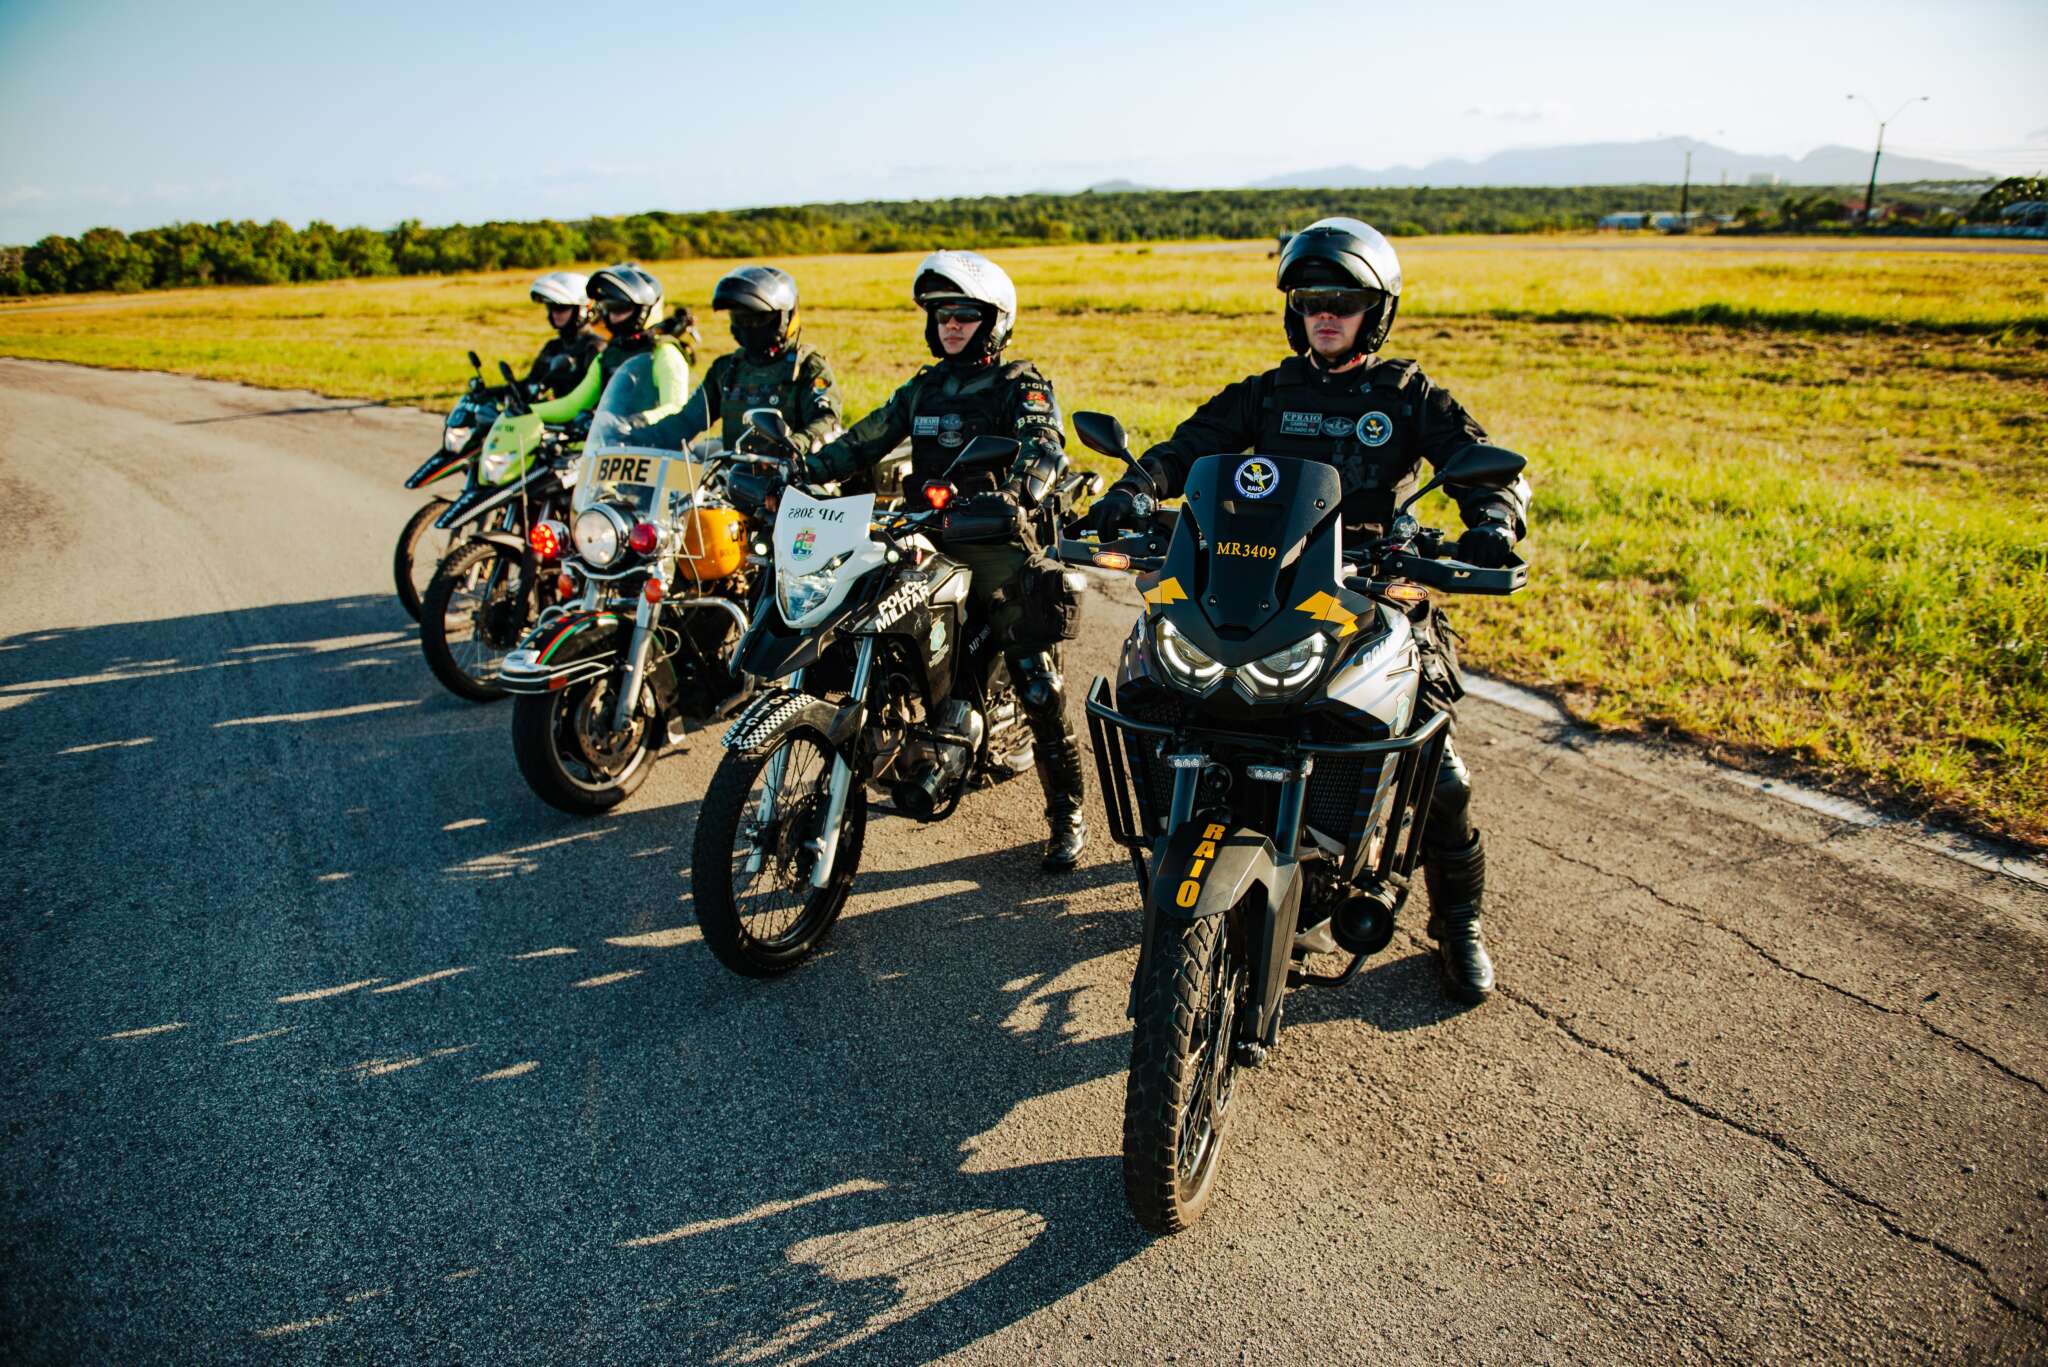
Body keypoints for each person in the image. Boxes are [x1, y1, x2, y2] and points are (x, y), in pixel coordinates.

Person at [1088, 217, 1531, 1004]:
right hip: (1265, 588)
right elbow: (1187, 447)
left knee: (1441, 775)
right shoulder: (1266, 394)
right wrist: (1136, 485)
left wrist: (1492, 520)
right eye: (1311, 298)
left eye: (1345, 299)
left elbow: (1478, 464)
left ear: (1376, 309)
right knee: (1176, 692)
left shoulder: (1407, 394)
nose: (1326, 313)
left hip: (1373, 593)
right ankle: (1192, 846)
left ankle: (1457, 923)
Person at [801, 250, 1087, 871]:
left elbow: (1044, 444)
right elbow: (863, 439)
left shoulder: (1021, 383)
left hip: (994, 540)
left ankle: (1066, 813)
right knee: (859, 623)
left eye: (965, 315)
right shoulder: (923, 388)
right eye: (941, 315)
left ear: (994, 321)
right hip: (925, 534)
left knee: (1038, 681)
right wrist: (803, 471)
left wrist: (1024, 489)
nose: (952, 326)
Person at [675, 266, 842, 456]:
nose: (748, 327)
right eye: (740, 318)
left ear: (784, 317)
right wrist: (640, 438)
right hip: (734, 479)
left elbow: (827, 421)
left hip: (796, 479)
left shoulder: (807, 368)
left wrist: (795, 445)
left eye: (756, 318)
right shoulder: (726, 370)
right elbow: (685, 421)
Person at [530, 264, 690, 439]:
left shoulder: (664, 353)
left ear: (645, 310)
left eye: (620, 307)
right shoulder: (608, 355)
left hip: (656, 451)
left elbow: (675, 408)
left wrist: (634, 422)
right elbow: (573, 404)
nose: (612, 316)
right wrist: (525, 411)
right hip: (611, 452)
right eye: (608, 308)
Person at [520, 271, 602, 399]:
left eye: (561, 307)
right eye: (550, 306)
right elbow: (530, 384)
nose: (555, 313)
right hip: (555, 415)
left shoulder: (595, 348)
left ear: (583, 309)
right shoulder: (553, 347)